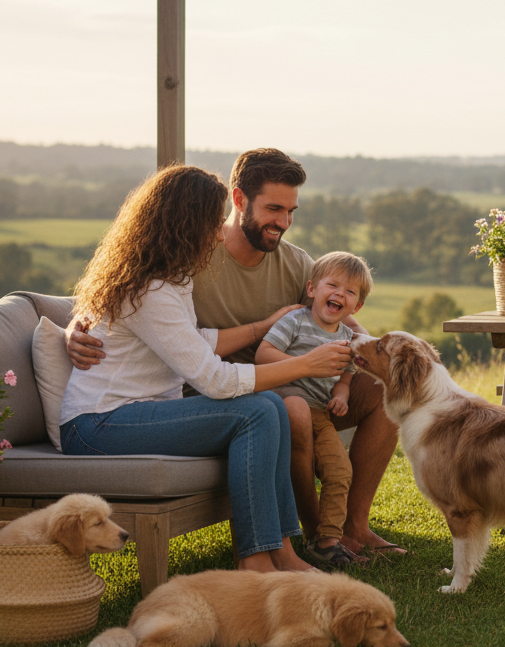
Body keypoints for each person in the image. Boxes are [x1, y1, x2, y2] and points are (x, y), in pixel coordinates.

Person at [66, 149, 406, 557]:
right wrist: (75, 327)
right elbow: (124, 304)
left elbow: (344, 318)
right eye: (274, 208)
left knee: (370, 391)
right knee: (276, 409)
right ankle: (306, 539)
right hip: (200, 394)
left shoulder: (288, 264)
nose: (284, 222)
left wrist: (376, 356)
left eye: (291, 211)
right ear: (239, 200)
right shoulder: (186, 260)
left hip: (256, 386)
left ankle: (347, 530)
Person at [257, 251, 373, 568]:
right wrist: (304, 364)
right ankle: (315, 534)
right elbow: (263, 355)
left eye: (350, 291)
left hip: (320, 413)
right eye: (332, 285)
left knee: (340, 471)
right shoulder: (295, 321)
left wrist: (342, 395)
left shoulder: (348, 339)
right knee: (300, 418)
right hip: (283, 400)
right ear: (312, 289)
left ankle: (328, 541)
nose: (339, 294)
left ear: (357, 306)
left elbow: (346, 375)